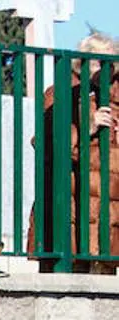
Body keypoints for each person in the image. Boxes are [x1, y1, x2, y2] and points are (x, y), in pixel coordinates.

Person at [28, 31, 119, 275]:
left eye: (109, 62)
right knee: (66, 270)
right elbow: (48, 145)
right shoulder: (61, 94)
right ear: (81, 62)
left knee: (104, 274)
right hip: (70, 200)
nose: (104, 69)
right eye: (98, 61)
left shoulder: (116, 99)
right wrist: (88, 126)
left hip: (108, 208)